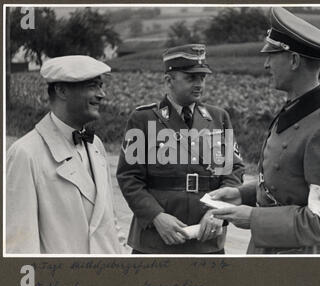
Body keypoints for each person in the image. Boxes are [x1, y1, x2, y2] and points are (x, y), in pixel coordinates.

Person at [209, 7, 320, 254]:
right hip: (272, 251)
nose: (265, 64)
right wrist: (241, 195)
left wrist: (254, 218)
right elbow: (286, 185)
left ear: (294, 60)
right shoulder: (295, 109)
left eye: (271, 55)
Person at [117, 44, 245, 254]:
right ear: (169, 81)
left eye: (202, 78)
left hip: (206, 239)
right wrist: (156, 216)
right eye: (191, 78)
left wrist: (216, 212)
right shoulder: (144, 119)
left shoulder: (218, 118)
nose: (199, 84)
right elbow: (129, 178)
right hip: (155, 240)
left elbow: (233, 172)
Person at [6, 55, 124, 254]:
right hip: (61, 282)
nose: (101, 94)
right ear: (62, 91)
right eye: (93, 86)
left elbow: (109, 222)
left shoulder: (96, 144)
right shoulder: (25, 153)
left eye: (101, 86)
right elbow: (20, 245)